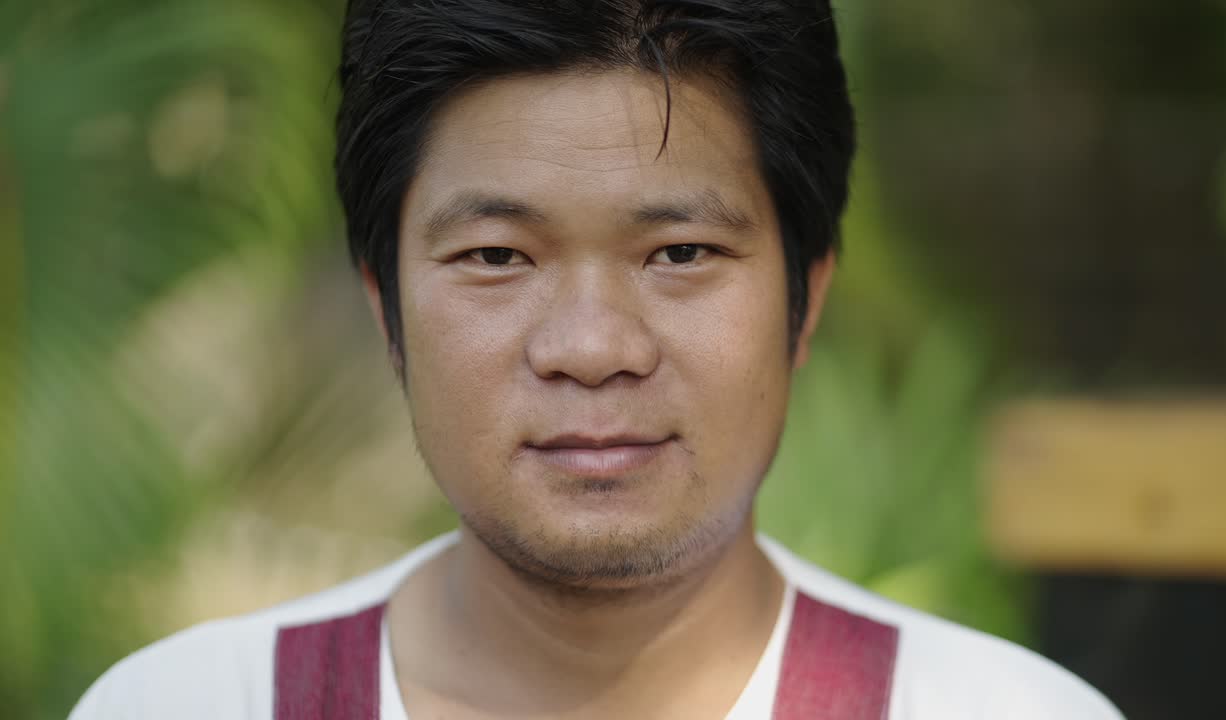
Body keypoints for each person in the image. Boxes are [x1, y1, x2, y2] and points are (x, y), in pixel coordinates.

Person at [71, 1, 1124, 718]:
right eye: (495, 255)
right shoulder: (190, 703)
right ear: (383, 307)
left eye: (679, 253)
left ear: (804, 298)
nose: (590, 349)